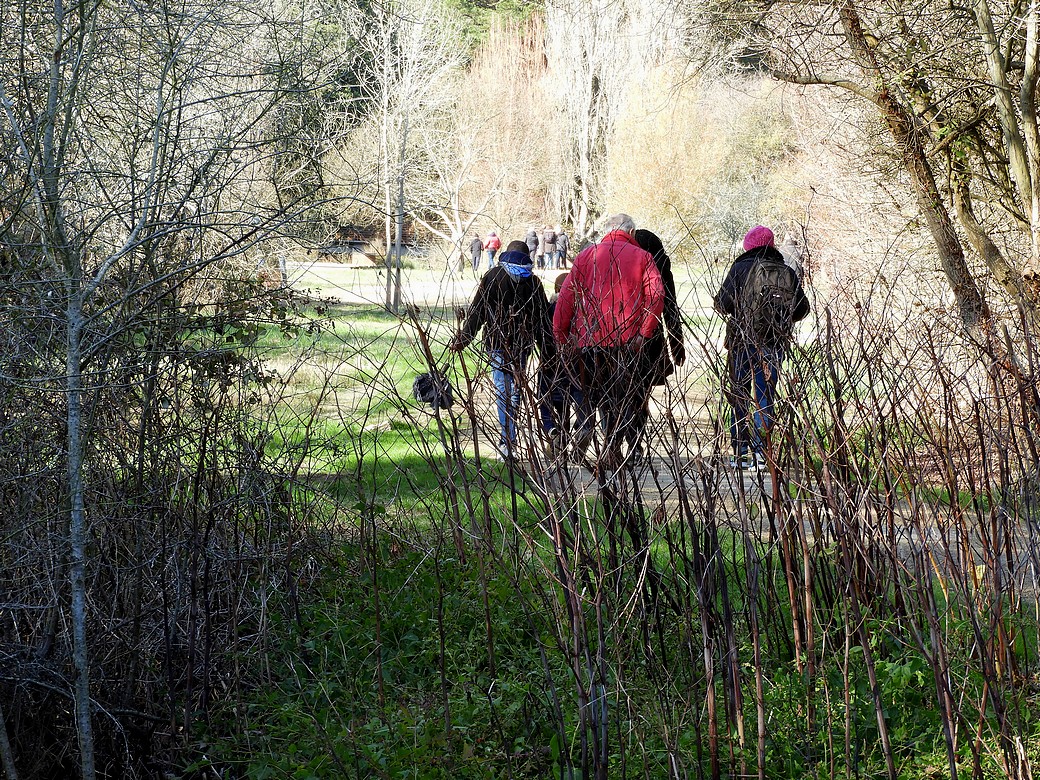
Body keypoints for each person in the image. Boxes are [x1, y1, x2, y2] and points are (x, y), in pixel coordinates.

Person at [553, 213, 664, 467]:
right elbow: (657, 296)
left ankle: (587, 425)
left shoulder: (585, 256)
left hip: (589, 338)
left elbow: (566, 298)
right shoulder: (643, 257)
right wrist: (643, 333)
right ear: (632, 232)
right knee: (621, 396)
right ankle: (612, 445)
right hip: (626, 342)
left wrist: (561, 336)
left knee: (590, 390)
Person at [713, 225, 810, 470]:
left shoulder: (739, 268)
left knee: (739, 396)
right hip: (773, 343)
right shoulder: (785, 271)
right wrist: (779, 320)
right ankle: (761, 453)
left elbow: (723, 304)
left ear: (748, 246)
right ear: (772, 245)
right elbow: (801, 308)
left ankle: (741, 453)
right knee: (764, 396)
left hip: (742, 342)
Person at [450, 240, 551, 461]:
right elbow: (542, 320)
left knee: (502, 389)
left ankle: (507, 441)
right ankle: (509, 439)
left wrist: (464, 338)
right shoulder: (533, 282)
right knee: (515, 390)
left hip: (497, 342)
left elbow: (478, 312)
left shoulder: (492, 276)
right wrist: (547, 350)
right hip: (522, 345)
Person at [628, 229, 686, 461]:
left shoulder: (627, 262)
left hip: (622, 337)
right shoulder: (661, 268)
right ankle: (636, 444)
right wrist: (676, 343)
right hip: (651, 339)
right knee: (640, 395)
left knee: (620, 393)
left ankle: (620, 443)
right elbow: (671, 309)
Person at [538, 273, 584, 455]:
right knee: (579, 402)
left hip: (550, 364)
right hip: (576, 364)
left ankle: (551, 429)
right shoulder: (582, 311)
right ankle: (580, 430)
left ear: (557, 289)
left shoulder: (547, 310)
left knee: (547, 401)